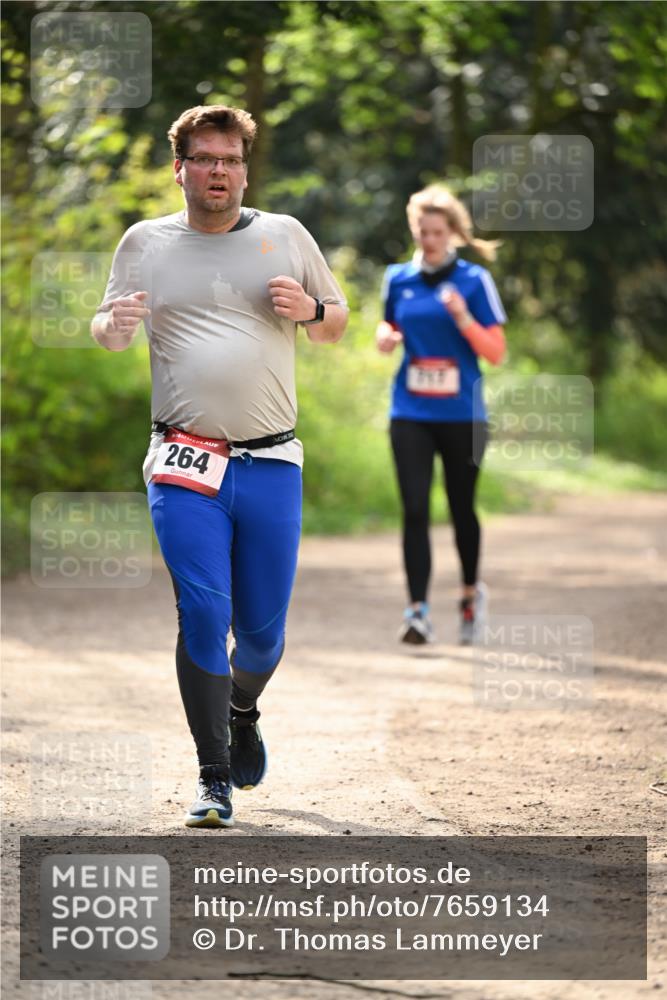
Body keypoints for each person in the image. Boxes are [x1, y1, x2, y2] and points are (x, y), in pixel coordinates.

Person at [91, 105, 348, 827]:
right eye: (204, 159)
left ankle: (242, 711)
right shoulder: (145, 243)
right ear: (179, 169)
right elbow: (108, 325)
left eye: (231, 160)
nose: (219, 172)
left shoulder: (284, 235)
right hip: (183, 460)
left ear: (244, 169)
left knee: (264, 636)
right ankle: (211, 780)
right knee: (203, 610)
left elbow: (337, 323)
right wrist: (109, 327)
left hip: (271, 462)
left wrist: (309, 308)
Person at [376, 184, 506, 646]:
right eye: (421, 231)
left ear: (452, 232)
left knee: (459, 506)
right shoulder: (398, 278)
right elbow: (388, 323)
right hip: (409, 409)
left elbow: (496, 353)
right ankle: (417, 612)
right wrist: (385, 336)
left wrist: (464, 318)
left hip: (461, 414)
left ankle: (470, 596)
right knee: (414, 508)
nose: (428, 239)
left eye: (437, 231)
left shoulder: (473, 281)